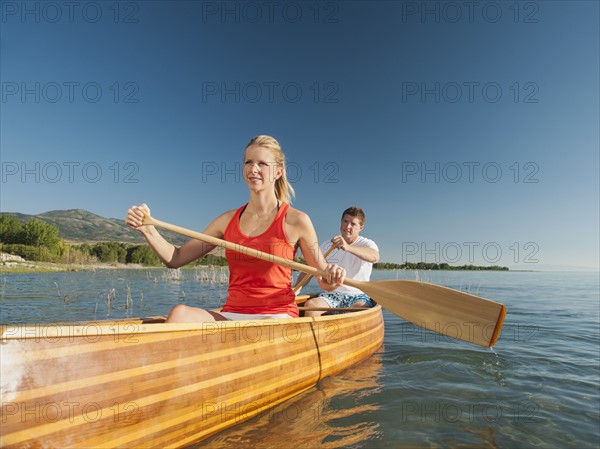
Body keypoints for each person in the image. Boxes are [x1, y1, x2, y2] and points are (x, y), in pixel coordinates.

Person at [125, 135, 346, 322]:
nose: (253, 169)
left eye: (262, 164)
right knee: (179, 314)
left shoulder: (297, 220)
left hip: (276, 317)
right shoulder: (227, 220)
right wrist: (148, 228)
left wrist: (332, 274)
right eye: (248, 162)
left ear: (278, 172)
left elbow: (323, 277)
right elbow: (176, 258)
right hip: (233, 314)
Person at [302, 207, 379, 317]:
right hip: (332, 295)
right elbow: (309, 269)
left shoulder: (367, 244)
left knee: (362, 311)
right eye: (345, 221)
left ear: (361, 227)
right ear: (341, 222)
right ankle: (313, 334)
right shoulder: (326, 245)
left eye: (353, 224)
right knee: (310, 305)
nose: (348, 226)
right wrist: (296, 288)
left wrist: (347, 247)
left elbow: (374, 257)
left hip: (358, 296)